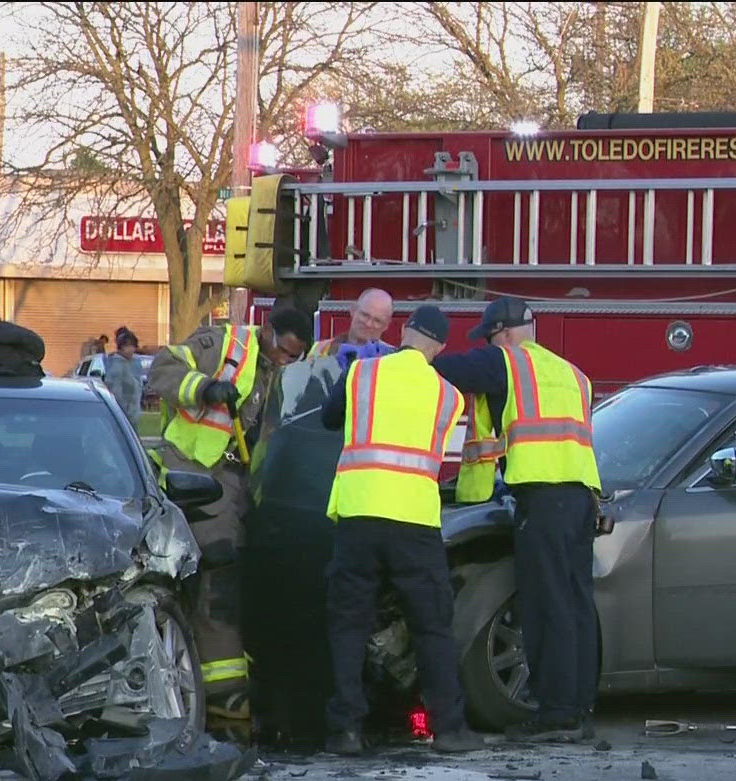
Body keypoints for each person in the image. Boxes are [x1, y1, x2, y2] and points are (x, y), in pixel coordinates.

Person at [429, 296, 601, 743]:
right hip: (582, 498)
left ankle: (557, 714)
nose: (487, 346)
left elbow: (445, 370)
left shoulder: (508, 363)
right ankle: (579, 707)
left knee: (546, 606)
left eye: (488, 338)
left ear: (503, 334)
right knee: (578, 604)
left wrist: (406, 355)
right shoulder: (573, 374)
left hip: (542, 500)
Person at [316, 305, 485, 756]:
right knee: (432, 627)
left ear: (404, 331)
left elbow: (328, 419)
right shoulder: (449, 396)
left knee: (349, 625)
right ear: (440, 348)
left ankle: (346, 729)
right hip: (415, 523)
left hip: (358, 515)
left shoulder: (361, 374)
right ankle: (448, 728)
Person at [145, 306, 315, 723]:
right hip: (196, 470)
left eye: (296, 358)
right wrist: (206, 389)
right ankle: (224, 696)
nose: (286, 361)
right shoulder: (222, 345)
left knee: (237, 577)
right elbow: (162, 370)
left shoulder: (281, 374)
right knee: (218, 577)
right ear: (269, 333)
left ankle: (231, 687)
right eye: (285, 352)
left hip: (239, 480)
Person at [310, 288, 395, 366]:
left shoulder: (392, 358)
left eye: (377, 321)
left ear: (386, 325)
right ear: (353, 310)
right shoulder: (320, 349)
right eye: (365, 315)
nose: (368, 324)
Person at [102, 327, 146, 427]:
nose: (131, 349)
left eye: (132, 346)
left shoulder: (134, 363)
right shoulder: (116, 366)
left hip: (133, 412)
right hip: (122, 413)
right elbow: (115, 392)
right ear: (121, 347)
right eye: (127, 346)